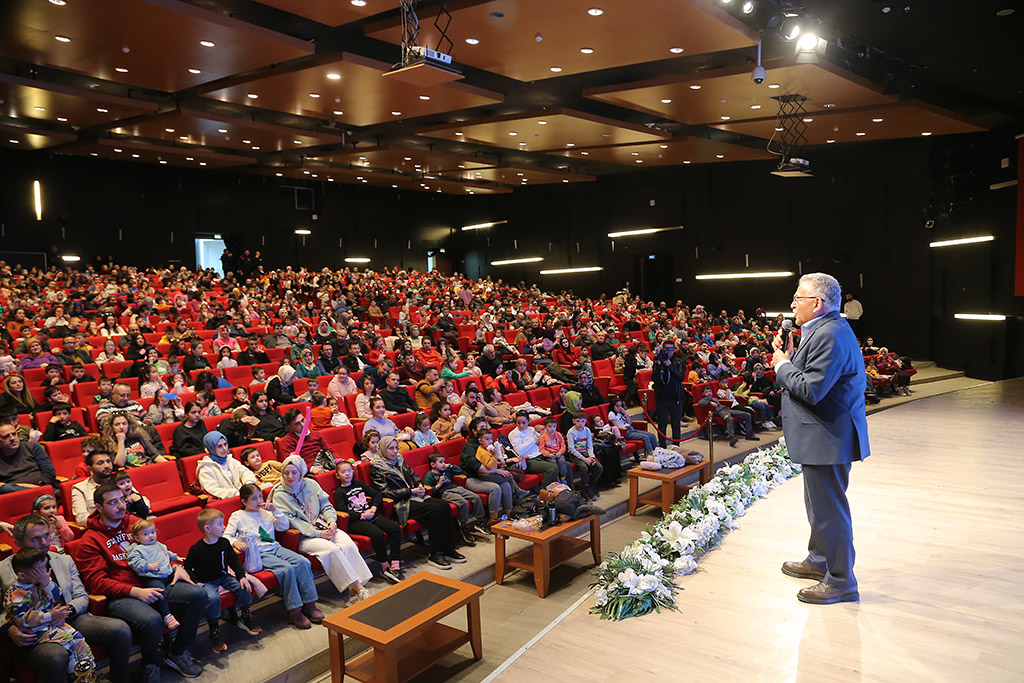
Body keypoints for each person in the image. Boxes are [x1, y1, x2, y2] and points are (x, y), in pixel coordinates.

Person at [772, 272, 869, 605]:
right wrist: (788, 357)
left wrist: (782, 365)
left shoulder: (829, 334)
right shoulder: (824, 330)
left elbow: (812, 389)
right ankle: (819, 560)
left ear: (817, 303)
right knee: (818, 505)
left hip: (829, 437)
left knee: (830, 510)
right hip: (823, 436)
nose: (792, 304)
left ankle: (842, 580)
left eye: (798, 298)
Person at [77, 483, 206, 681]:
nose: (121, 505)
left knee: (198, 595)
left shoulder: (135, 523)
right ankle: (151, 664)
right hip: (122, 595)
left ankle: (178, 652)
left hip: (155, 582)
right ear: (98, 507)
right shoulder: (90, 540)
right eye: (113, 502)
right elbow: (96, 583)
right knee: (151, 620)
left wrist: (175, 566)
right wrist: (135, 591)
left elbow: (159, 550)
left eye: (122, 499)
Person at [0, 514, 133, 683]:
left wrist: (64, 612)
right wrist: (9, 630)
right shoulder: (2, 570)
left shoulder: (63, 560)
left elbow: (81, 596)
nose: (44, 543)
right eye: (35, 539)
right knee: (56, 656)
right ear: (18, 543)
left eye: (46, 536)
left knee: (120, 629)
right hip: (31, 630)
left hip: (69, 617)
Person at [270, 456, 372, 601]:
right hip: (304, 536)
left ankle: (354, 592)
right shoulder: (280, 494)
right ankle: (360, 588)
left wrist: (331, 522)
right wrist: (318, 533)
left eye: (294, 472)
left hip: (324, 525)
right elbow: (294, 521)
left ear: (301, 472)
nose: (290, 476)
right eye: (286, 473)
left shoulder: (311, 484)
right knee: (332, 550)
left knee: (347, 544)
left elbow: (326, 505)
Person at [225, 483, 323, 629]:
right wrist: (235, 542)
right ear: (244, 502)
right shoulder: (238, 516)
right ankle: (294, 610)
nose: (259, 501)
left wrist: (276, 511)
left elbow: (283, 526)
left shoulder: (266, 512)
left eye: (260, 497)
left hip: (275, 547)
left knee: (303, 562)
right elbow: (226, 536)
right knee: (287, 569)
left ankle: (310, 604)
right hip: (258, 553)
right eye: (254, 499)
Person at [370, 436, 466, 570]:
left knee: (444, 505)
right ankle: (435, 554)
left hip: (414, 496)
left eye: (396, 447)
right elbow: (385, 493)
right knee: (435, 510)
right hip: (400, 504)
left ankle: (449, 549)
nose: (395, 451)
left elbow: (413, 475)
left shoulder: (399, 460)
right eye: (391, 448)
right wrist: (410, 491)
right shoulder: (377, 468)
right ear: (382, 449)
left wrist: (419, 484)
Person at [3, 548, 96, 676]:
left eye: (45, 568)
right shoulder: (16, 594)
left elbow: (57, 596)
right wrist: (50, 615)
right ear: (22, 575)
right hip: (34, 630)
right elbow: (22, 619)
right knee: (67, 640)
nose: (44, 573)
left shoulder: (42, 581)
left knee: (78, 637)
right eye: (38, 571)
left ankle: (88, 673)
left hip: (51, 624)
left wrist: (47, 583)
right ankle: (75, 674)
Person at [184, 508, 262, 653]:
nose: (224, 526)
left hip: (224, 576)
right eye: (220, 524)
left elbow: (233, 560)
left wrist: (241, 576)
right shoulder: (196, 549)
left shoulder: (224, 543)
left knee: (244, 586)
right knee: (212, 599)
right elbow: (187, 567)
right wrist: (197, 582)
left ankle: (246, 615)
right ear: (207, 528)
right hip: (206, 581)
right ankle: (214, 630)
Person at [332, 462, 404, 584]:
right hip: (355, 521)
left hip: (371, 514)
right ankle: (385, 566)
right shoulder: (339, 493)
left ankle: (395, 563)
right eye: (343, 472)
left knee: (395, 528)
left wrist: (373, 508)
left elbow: (377, 495)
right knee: (378, 534)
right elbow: (343, 511)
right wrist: (362, 515)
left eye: (349, 470)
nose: (347, 474)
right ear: (337, 476)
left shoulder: (359, 484)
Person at [125, 520, 181, 631]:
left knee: (183, 573)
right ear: (136, 538)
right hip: (151, 576)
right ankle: (167, 616)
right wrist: (148, 566)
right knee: (160, 591)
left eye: (152, 532)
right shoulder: (137, 549)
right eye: (145, 534)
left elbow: (166, 553)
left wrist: (175, 557)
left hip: (166, 573)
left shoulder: (158, 544)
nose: (150, 536)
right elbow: (134, 562)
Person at [422, 453, 485, 544]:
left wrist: (450, 466)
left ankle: (480, 521)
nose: (443, 464)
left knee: (476, 497)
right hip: (445, 492)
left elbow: (460, 471)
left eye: (444, 461)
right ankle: (464, 526)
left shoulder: (446, 470)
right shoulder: (430, 475)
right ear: (433, 464)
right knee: (463, 503)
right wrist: (438, 485)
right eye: (440, 462)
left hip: (456, 488)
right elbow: (429, 490)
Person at [195, 431, 257, 500]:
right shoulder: (206, 467)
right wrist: (237, 493)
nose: (224, 448)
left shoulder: (230, 460)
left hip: (243, 495)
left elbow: (245, 472)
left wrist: (248, 485)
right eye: (219, 446)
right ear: (210, 448)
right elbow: (214, 490)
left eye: (225, 444)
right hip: (226, 500)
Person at [651, 340, 690, 448]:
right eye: (666, 349)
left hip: (675, 397)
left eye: (671, 349)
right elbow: (654, 379)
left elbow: (681, 377)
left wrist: (670, 366)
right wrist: (659, 366)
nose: (669, 352)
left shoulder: (678, 361)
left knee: (675, 424)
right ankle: (662, 446)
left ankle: (676, 446)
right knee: (662, 425)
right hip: (661, 398)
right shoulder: (658, 361)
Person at [0, 422, 57, 494]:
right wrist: (30, 487)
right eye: (6, 436)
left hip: (43, 492)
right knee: (5, 488)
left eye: (14, 434)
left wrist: (41, 486)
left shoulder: (33, 447)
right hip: (16, 495)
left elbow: (49, 472)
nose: (12, 438)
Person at [507, 411, 559, 487]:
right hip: (529, 459)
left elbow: (541, 441)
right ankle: (544, 493)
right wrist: (533, 440)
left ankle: (569, 492)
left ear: (529, 421)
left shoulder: (531, 429)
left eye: (524, 422)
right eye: (518, 423)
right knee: (552, 468)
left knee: (567, 465)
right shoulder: (514, 434)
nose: (521, 426)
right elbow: (519, 450)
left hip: (541, 454)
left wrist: (543, 431)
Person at [564, 412, 604, 500]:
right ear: (573, 421)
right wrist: (585, 460)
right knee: (584, 467)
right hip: (576, 455)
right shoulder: (571, 432)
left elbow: (590, 445)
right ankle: (585, 487)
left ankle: (590, 485)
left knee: (599, 468)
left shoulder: (587, 430)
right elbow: (571, 449)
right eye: (578, 421)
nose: (580, 423)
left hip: (586, 452)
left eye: (583, 421)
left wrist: (592, 457)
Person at [71, 449, 115, 524]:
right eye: (100, 463)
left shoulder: (120, 481)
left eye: (108, 461)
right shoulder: (80, 489)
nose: (106, 465)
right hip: (101, 529)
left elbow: (139, 498)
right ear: (90, 469)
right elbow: (81, 518)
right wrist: (108, 522)